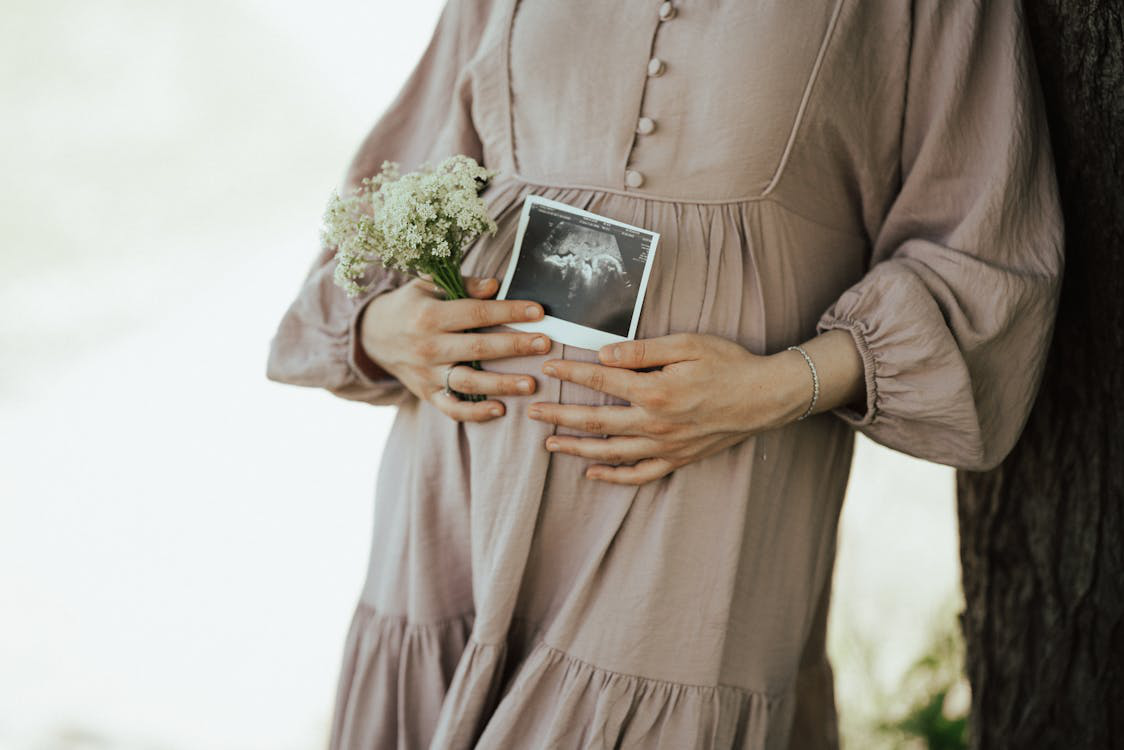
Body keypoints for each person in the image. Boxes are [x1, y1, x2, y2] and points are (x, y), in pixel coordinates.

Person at [265, 0, 1064, 747]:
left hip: (708, 504)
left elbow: (986, 253)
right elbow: (397, 187)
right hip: (458, 484)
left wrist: (782, 384)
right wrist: (379, 327)